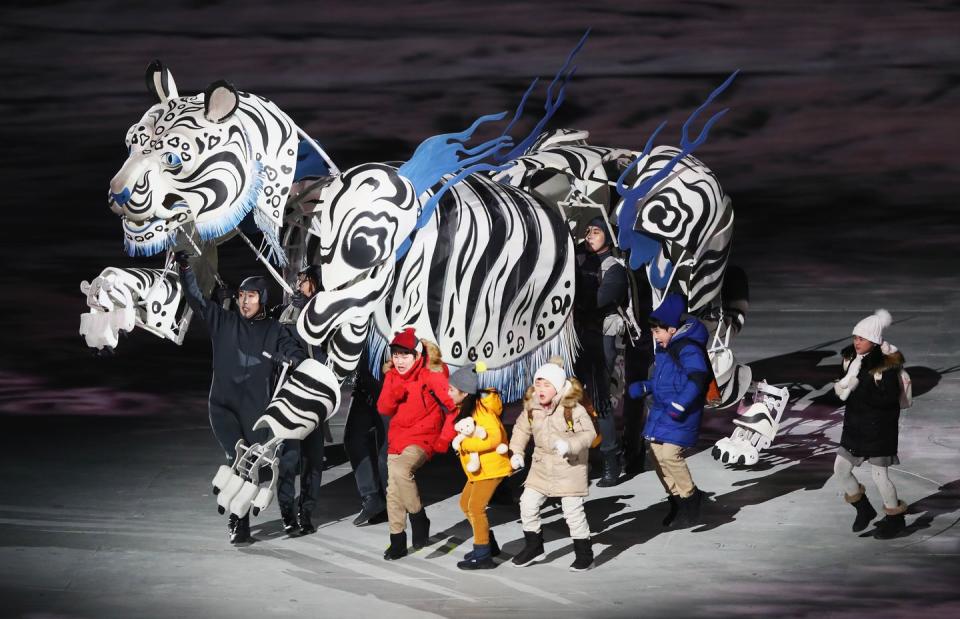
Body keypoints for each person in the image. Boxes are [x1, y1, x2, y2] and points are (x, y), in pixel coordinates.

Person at [175, 251, 306, 544]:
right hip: (222, 406)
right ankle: (239, 523)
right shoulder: (224, 321)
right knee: (239, 459)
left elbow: (294, 352)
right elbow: (196, 299)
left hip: (255, 411)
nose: (244, 301)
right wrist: (186, 270)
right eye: (241, 296)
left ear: (262, 299)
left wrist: (297, 361)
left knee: (252, 466)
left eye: (251, 296)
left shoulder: (273, 330)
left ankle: (248, 514)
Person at [627, 293, 709, 529]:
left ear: (672, 329)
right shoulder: (665, 348)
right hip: (663, 411)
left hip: (681, 413)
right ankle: (677, 500)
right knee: (655, 455)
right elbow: (666, 382)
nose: (655, 336)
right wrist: (646, 386)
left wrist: (680, 404)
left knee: (670, 455)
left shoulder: (688, 348)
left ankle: (691, 499)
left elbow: (696, 379)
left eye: (658, 332)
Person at [509, 358, 597, 572]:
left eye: (546, 385)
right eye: (538, 384)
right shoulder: (532, 406)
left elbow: (590, 434)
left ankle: (585, 555)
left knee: (572, 512)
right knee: (527, 504)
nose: (540, 389)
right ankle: (534, 546)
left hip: (569, 466)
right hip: (541, 464)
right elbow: (521, 429)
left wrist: (569, 444)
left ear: (557, 387)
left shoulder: (572, 408)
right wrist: (517, 452)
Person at [377, 327, 456, 560]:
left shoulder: (431, 374)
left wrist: (444, 439)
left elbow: (454, 407)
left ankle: (418, 517)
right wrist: (395, 390)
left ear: (417, 356)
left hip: (424, 436)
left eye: (405, 355)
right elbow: (384, 408)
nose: (399, 360)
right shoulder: (392, 375)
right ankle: (397, 541)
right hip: (398, 437)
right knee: (393, 491)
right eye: (396, 355)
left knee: (401, 471)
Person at [832, 309, 909, 539]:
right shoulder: (850, 360)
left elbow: (888, 400)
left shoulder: (885, 366)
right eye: (855, 337)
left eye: (862, 338)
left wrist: (859, 389)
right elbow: (844, 388)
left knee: (880, 476)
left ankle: (895, 519)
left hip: (879, 430)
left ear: (873, 341)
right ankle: (863, 509)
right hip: (855, 427)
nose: (857, 342)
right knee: (840, 470)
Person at [574, 216, 629, 487]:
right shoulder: (578, 260)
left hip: (599, 338)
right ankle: (576, 457)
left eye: (596, 231)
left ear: (608, 235)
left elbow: (601, 300)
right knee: (569, 396)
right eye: (587, 231)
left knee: (601, 400)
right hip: (576, 335)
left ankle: (611, 460)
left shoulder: (614, 267)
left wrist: (573, 300)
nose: (590, 235)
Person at [445, 362, 511, 570]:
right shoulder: (467, 408)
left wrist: (465, 444)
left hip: (492, 468)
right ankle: (488, 544)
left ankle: (483, 556)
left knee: (475, 507)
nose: (448, 392)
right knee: (465, 504)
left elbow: (494, 438)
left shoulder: (482, 411)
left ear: (464, 393)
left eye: (452, 389)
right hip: (480, 469)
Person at [275, 264, 326, 535]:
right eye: (298, 280)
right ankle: (287, 512)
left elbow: (322, 351)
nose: (298, 285)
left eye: (304, 281)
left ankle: (306, 511)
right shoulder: (288, 311)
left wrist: (310, 311)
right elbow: (282, 344)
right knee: (289, 458)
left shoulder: (327, 311)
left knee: (313, 460)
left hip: (316, 397)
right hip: (292, 398)